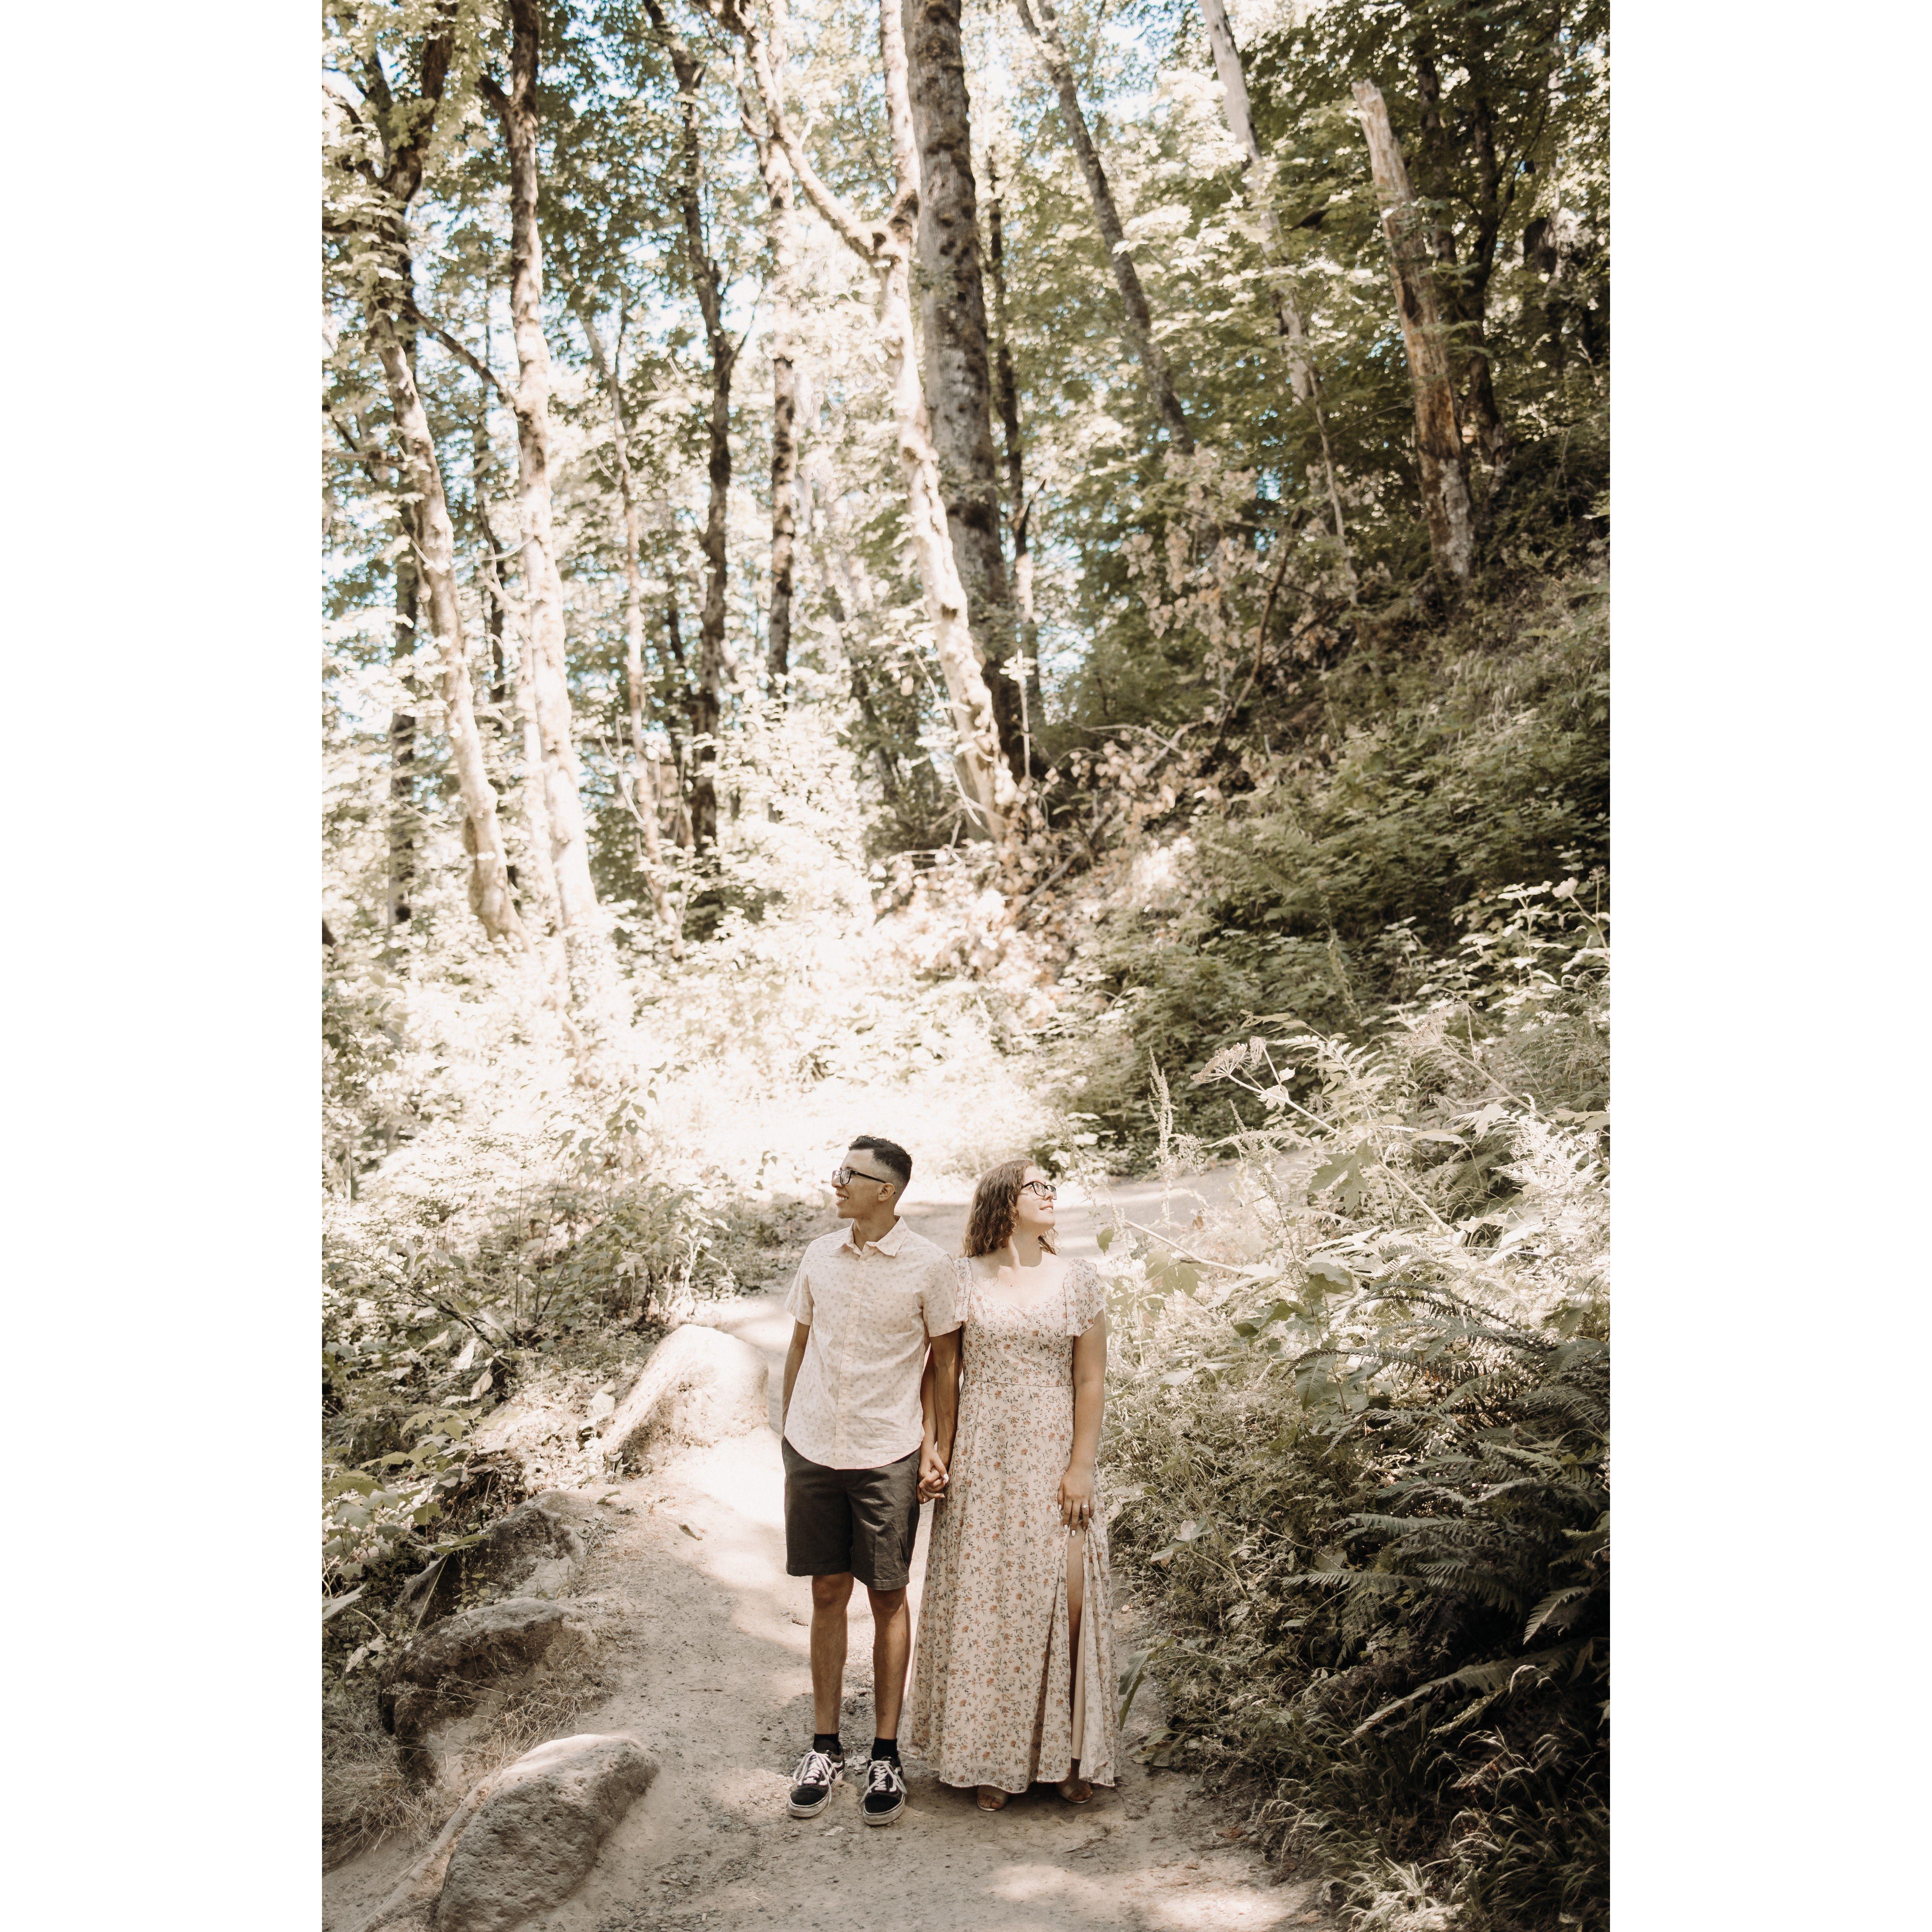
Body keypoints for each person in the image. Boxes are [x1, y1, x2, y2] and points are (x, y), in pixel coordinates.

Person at [905, 1159, 1117, 1811]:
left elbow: (1090, 1381)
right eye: (1036, 1185)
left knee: (1061, 1592)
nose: (1050, 1192)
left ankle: (1069, 1756)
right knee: (987, 1599)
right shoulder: (958, 1278)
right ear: (1004, 1202)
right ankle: (988, 1757)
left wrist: (1081, 1465)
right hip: (984, 1458)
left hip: (1054, 1450)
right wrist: (934, 1450)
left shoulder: (1080, 1282)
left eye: (1053, 1184)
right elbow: (941, 1373)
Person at [779, 1135, 961, 1826]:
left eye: (849, 1176)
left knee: (887, 1595)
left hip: (889, 1451)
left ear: (885, 1190)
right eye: (839, 1171)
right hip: (815, 1446)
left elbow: (946, 1364)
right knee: (827, 1591)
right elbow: (799, 1344)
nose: (836, 1183)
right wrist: (791, 1432)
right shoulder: (818, 1256)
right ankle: (824, 1746)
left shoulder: (930, 1267)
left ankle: (886, 1752)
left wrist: (939, 1446)